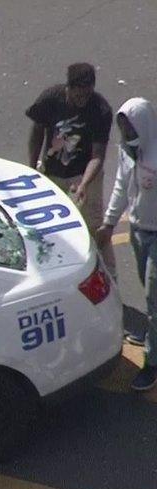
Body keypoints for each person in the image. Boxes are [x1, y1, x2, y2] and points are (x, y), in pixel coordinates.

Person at [26, 62, 115, 275]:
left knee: (93, 229)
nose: (82, 100)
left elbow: (97, 155)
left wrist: (84, 183)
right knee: (52, 231)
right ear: (69, 87)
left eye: (87, 95)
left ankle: (110, 275)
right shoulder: (50, 99)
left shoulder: (100, 110)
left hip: (83, 175)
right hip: (53, 173)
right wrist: (32, 167)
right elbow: (37, 133)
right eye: (78, 96)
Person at [97, 98, 157, 391]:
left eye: (129, 127)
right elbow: (121, 187)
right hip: (137, 231)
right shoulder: (127, 151)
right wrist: (109, 224)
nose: (126, 134)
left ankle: (153, 361)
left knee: (153, 299)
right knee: (151, 293)